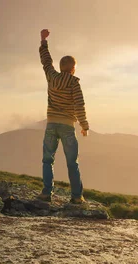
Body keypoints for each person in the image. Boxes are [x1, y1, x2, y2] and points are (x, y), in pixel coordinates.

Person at [37, 28, 89, 203]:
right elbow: (79, 105)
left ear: (60, 68)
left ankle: (46, 193)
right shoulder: (74, 83)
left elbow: (46, 61)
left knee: (47, 160)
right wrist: (84, 126)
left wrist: (43, 41)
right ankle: (76, 197)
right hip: (67, 126)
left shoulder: (51, 76)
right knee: (72, 163)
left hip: (51, 125)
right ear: (73, 69)